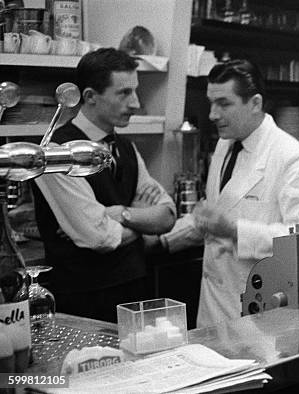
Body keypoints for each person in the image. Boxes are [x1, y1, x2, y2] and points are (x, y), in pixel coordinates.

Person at [159, 59, 299, 326]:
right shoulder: (224, 145)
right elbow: (215, 215)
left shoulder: (291, 157)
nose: (212, 114)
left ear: (255, 103)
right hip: (213, 306)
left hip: (259, 309)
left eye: (224, 103)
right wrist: (162, 241)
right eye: (211, 103)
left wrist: (235, 230)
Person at [32, 48, 176, 322]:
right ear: (89, 97)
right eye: (124, 93)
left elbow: (168, 215)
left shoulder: (126, 148)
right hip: (83, 302)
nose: (135, 102)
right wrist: (142, 221)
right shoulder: (56, 152)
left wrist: (121, 213)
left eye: (135, 91)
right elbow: (99, 237)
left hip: (134, 291)